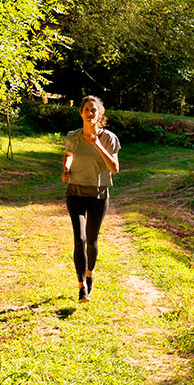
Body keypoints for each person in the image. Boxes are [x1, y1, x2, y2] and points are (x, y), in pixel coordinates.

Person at [62, 95, 120, 301]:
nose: (90, 113)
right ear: (81, 113)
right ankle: (81, 287)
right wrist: (66, 168)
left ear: (99, 114)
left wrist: (97, 144)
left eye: (94, 110)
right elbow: (69, 154)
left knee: (92, 240)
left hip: (99, 194)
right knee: (80, 238)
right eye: (86, 109)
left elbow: (114, 168)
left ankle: (89, 275)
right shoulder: (73, 136)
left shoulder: (110, 138)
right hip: (75, 192)